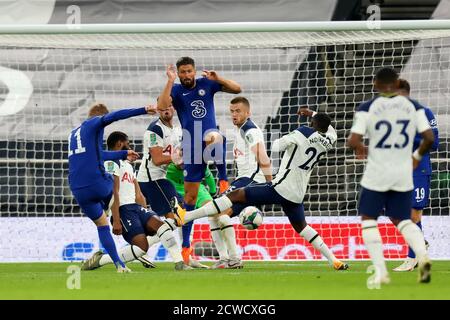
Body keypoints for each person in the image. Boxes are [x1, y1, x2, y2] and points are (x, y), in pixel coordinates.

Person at [174, 110, 349, 271]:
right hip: (297, 193)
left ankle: (187, 216)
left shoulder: (301, 132)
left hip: (281, 186)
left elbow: (276, 146)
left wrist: (291, 137)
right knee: (302, 227)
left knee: (236, 194)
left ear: (311, 123)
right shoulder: (329, 139)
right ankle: (334, 259)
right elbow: (328, 127)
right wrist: (314, 114)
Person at [347, 68, 434, 284]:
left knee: (369, 220)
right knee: (404, 219)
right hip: (403, 171)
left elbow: (353, 141)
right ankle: (422, 258)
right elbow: (430, 138)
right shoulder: (415, 107)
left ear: (375, 83)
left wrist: (363, 150)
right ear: (396, 83)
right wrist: (415, 157)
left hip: (378, 171)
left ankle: (381, 271)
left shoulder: (369, 107)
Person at [157, 56, 241, 264]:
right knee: (190, 200)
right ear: (179, 73)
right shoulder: (176, 90)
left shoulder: (206, 83)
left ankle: (223, 180)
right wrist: (169, 80)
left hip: (208, 136)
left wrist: (219, 78)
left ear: (194, 71)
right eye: (182, 72)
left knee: (215, 136)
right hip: (190, 146)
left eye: (189, 71)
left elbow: (237, 89)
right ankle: (186, 249)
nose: (186, 75)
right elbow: (162, 105)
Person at [82, 131, 190, 271]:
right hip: (122, 210)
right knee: (142, 248)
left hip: (136, 208)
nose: (130, 146)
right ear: (120, 143)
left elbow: (138, 193)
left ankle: (179, 263)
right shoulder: (111, 162)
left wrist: (146, 214)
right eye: (128, 143)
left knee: (162, 226)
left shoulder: (128, 165)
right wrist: (116, 219)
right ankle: (100, 260)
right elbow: (113, 191)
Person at [68, 103, 152, 272]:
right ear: (100, 118)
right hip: (97, 184)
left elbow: (99, 154)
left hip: (77, 189)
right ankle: (116, 213)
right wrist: (142, 110)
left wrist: (123, 154)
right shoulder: (95, 123)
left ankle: (119, 265)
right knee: (115, 181)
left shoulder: (74, 134)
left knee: (101, 225)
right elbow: (116, 115)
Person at [137, 104, 207, 268]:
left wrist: (186, 160)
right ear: (158, 110)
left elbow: (176, 162)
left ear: (174, 108)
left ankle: (183, 258)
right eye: (162, 107)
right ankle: (146, 249)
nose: (166, 109)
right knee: (180, 214)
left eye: (169, 106)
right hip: (151, 180)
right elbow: (157, 159)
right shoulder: (155, 129)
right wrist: (180, 156)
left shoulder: (176, 130)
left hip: (159, 179)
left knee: (178, 218)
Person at [209, 96, 273, 269]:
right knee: (217, 216)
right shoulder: (240, 130)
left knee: (216, 212)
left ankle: (231, 258)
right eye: (232, 111)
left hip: (250, 182)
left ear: (247, 112)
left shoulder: (249, 130)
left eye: (238, 111)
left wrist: (270, 185)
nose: (234, 115)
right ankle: (228, 259)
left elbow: (263, 158)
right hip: (244, 180)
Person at [393, 79, 439, 272]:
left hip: (418, 170)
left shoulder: (424, 113)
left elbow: (434, 143)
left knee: (413, 214)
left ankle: (413, 258)